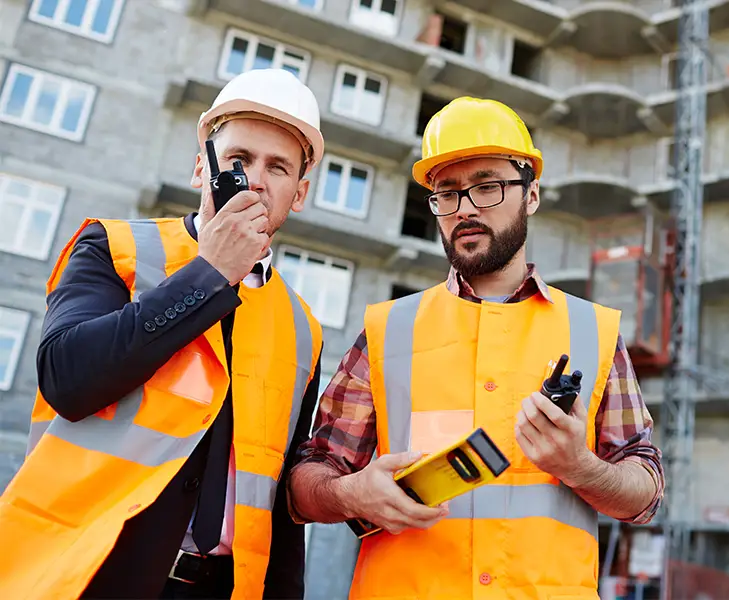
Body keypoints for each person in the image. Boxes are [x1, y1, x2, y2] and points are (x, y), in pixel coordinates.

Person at [287, 96, 665, 599]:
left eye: (487, 187)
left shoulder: (592, 331)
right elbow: (303, 487)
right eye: (447, 193)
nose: (464, 209)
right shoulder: (387, 330)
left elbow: (644, 494)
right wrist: (351, 492)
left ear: (531, 194)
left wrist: (580, 466)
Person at [0, 68, 327, 600]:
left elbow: (279, 504)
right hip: (89, 571)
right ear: (203, 167)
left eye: (278, 167)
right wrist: (209, 274)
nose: (257, 180)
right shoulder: (115, 248)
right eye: (239, 160)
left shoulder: (302, 328)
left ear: (300, 193)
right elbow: (68, 380)